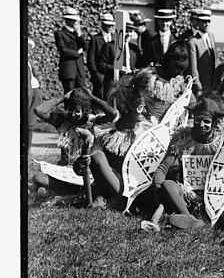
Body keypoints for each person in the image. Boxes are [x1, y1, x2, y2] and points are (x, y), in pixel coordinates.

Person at [151, 94, 224, 230]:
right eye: (198, 120)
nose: (202, 125)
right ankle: (188, 217)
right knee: (168, 184)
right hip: (188, 194)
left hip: (217, 194)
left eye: (206, 121)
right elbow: (163, 168)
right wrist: (158, 187)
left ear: (214, 122)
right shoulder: (182, 139)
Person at [72, 71, 154, 211]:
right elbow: (83, 168)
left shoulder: (149, 133)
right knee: (96, 156)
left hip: (142, 188)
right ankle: (115, 202)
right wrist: (81, 163)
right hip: (117, 188)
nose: (144, 112)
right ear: (127, 108)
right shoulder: (105, 135)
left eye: (145, 107)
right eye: (140, 107)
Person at [31, 87, 117, 194]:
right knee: (38, 178)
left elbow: (113, 114)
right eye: (69, 110)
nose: (72, 115)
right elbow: (38, 111)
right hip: (64, 172)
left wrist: (91, 97)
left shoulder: (93, 122)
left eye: (77, 111)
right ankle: (66, 189)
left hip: (85, 174)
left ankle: (66, 190)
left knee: (97, 185)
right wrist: (62, 98)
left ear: (86, 110)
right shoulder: (62, 121)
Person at [142, 40, 192, 122]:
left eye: (183, 69)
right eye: (177, 68)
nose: (179, 72)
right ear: (169, 61)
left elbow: (191, 99)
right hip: (147, 127)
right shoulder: (148, 76)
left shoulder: (178, 81)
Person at [97, 19, 141, 100]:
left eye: (130, 31)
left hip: (130, 83)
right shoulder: (109, 46)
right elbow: (101, 65)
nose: (128, 34)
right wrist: (116, 68)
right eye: (126, 31)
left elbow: (139, 65)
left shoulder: (134, 48)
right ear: (120, 32)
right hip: (114, 83)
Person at [54, 7, 88, 93]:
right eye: (71, 20)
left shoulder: (77, 34)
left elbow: (86, 47)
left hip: (79, 70)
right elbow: (63, 50)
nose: (74, 22)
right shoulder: (60, 34)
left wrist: (80, 34)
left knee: (83, 93)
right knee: (69, 95)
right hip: (68, 70)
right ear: (66, 20)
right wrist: (78, 53)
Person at [187, 8, 217, 98]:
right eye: (204, 21)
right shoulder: (193, 41)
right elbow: (193, 69)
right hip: (201, 86)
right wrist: (198, 88)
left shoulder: (211, 37)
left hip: (213, 85)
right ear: (198, 23)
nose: (206, 24)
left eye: (208, 21)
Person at [86, 13, 115, 97]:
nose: (110, 27)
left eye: (111, 25)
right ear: (102, 25)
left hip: (111, 76)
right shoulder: (95, 39)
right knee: (99, 97)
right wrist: (96, 74)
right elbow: (90, 60)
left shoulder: (114, 39)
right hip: (100, 76)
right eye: (107, 25)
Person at [27, 38, 43, 153]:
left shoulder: (28, 62)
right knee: (28, 122)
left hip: (33, 90)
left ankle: (27, 150)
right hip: (29, 92)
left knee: (30, 123)